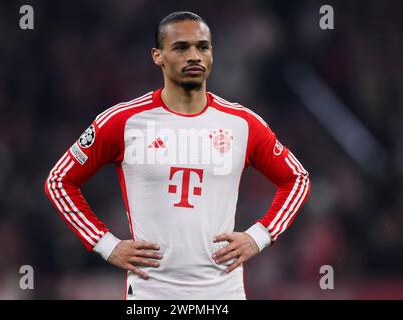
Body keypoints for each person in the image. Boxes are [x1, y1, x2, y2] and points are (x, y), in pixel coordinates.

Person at [44, 11, 311, 300]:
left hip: (221, 294)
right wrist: (106, 244)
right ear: (157, 56)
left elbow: (297, 179)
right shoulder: (124, 121)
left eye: (202, 47)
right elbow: (59, 181)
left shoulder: (242, 123)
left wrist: (259, 236)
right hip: (152, 295)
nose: (194, 56)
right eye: (181, 47)